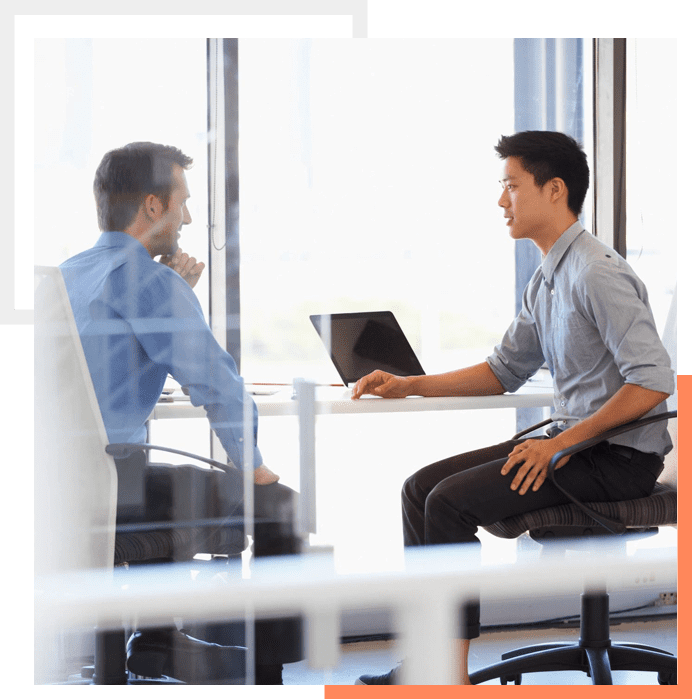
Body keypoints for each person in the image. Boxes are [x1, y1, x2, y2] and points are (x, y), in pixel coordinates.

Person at [350, 130, 674, 685]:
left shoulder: (598, 272)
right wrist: (411, 384)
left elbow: (652, 383)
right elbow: (503, 371)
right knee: (417, 489)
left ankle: (444, 676)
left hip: (617, 460)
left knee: (449, 503)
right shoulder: (547, 276)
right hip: (576, 445)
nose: (502, 201)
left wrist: (560, 445)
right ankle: (430, 654)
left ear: (554, 190)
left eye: (511, 186)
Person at [60, 142, 302, 684]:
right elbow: (220, 387)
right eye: (183, 202)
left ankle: (156, 642)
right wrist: (254, 468)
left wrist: (174, 297)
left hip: (50, 489)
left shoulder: (63, 277)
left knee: (162, 479)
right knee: (278, 507)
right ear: (152, 206)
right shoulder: (150, 281)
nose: (188, 216)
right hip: (114, 489)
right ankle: (267, 676)